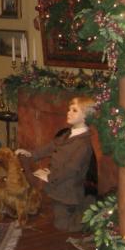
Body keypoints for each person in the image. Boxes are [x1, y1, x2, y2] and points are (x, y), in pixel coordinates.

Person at [16, 96, 95, 232]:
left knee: (62, 225)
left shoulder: (83, 143)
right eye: (69, 109)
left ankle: (89, 214)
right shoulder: (67, 134)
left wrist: (49, 177)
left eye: (74, 110)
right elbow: (49, 147)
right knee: (45, 211)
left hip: (67, 191)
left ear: (86, 116)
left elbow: (71, 169)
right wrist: (30, 154)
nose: (69, 112)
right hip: (57, 185)